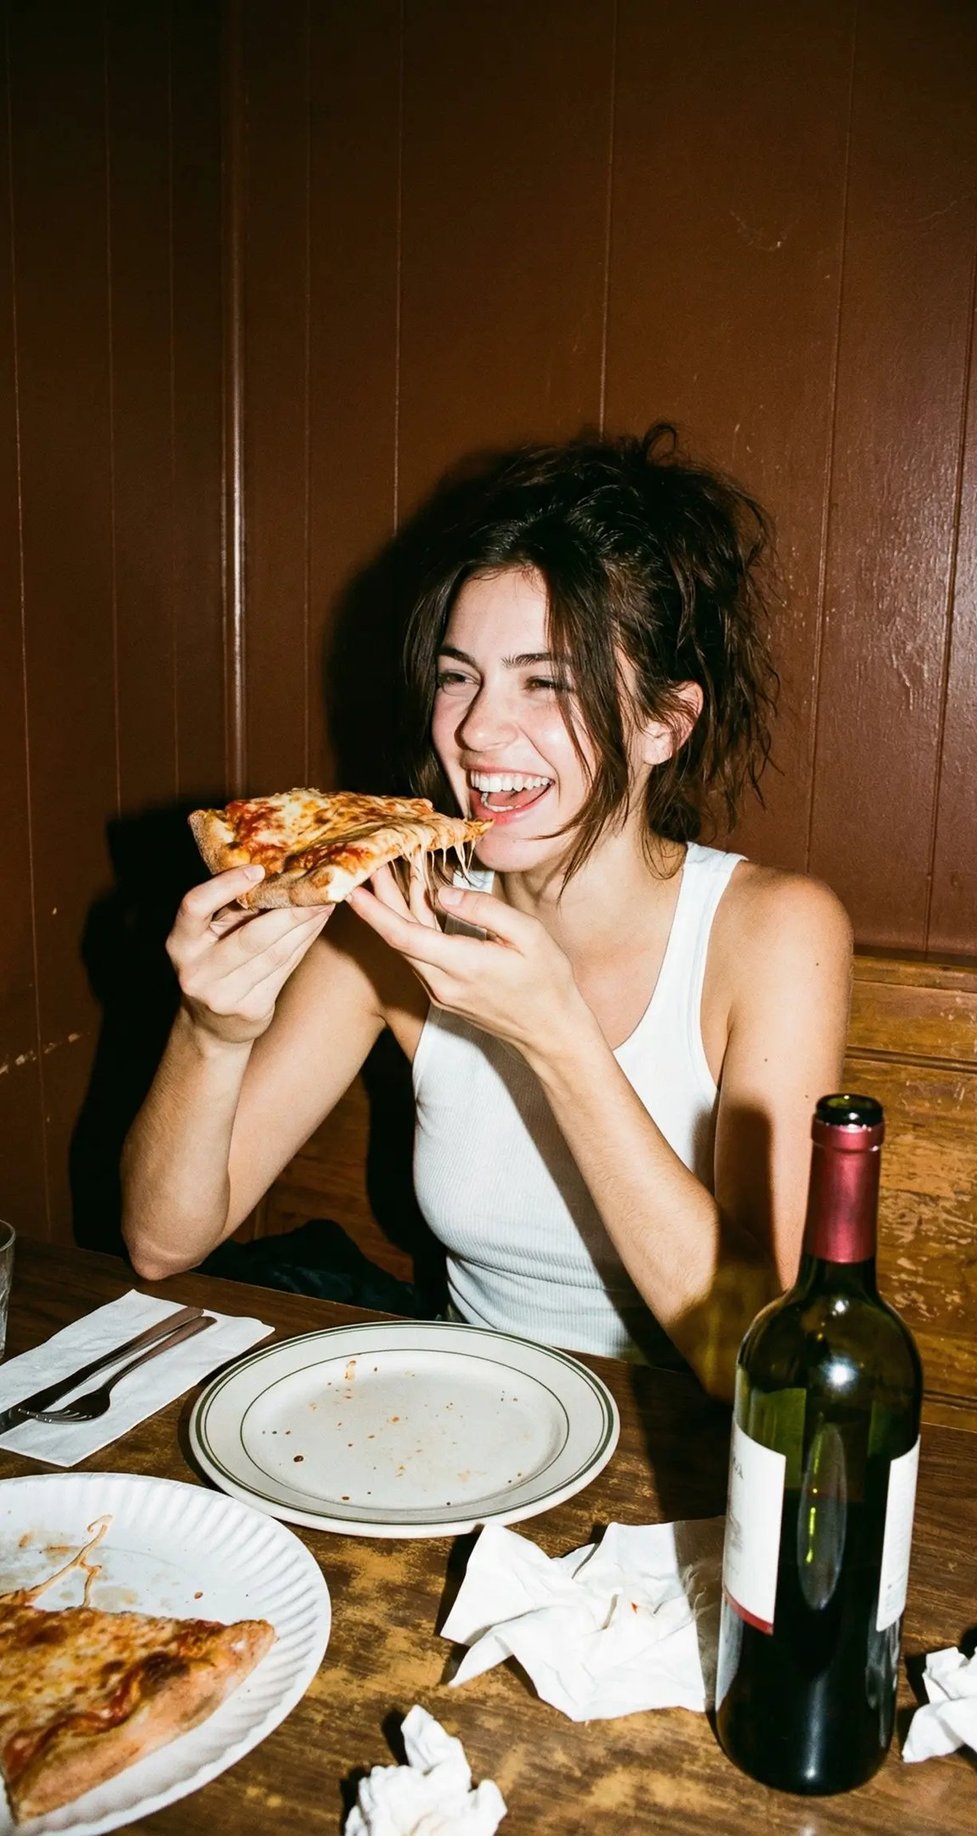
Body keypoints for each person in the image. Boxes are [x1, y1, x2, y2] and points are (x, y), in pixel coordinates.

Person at [121, 424, 852, 1396]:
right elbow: (163, 1242)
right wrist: (212, 1031)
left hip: (678, 1452)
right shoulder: (399, 913)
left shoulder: (775, 932)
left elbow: (765, 1360)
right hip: (450, 1416)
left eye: (545, 682)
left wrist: (560, 1042)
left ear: (661, 724)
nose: (474, 730)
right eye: (458, 675)